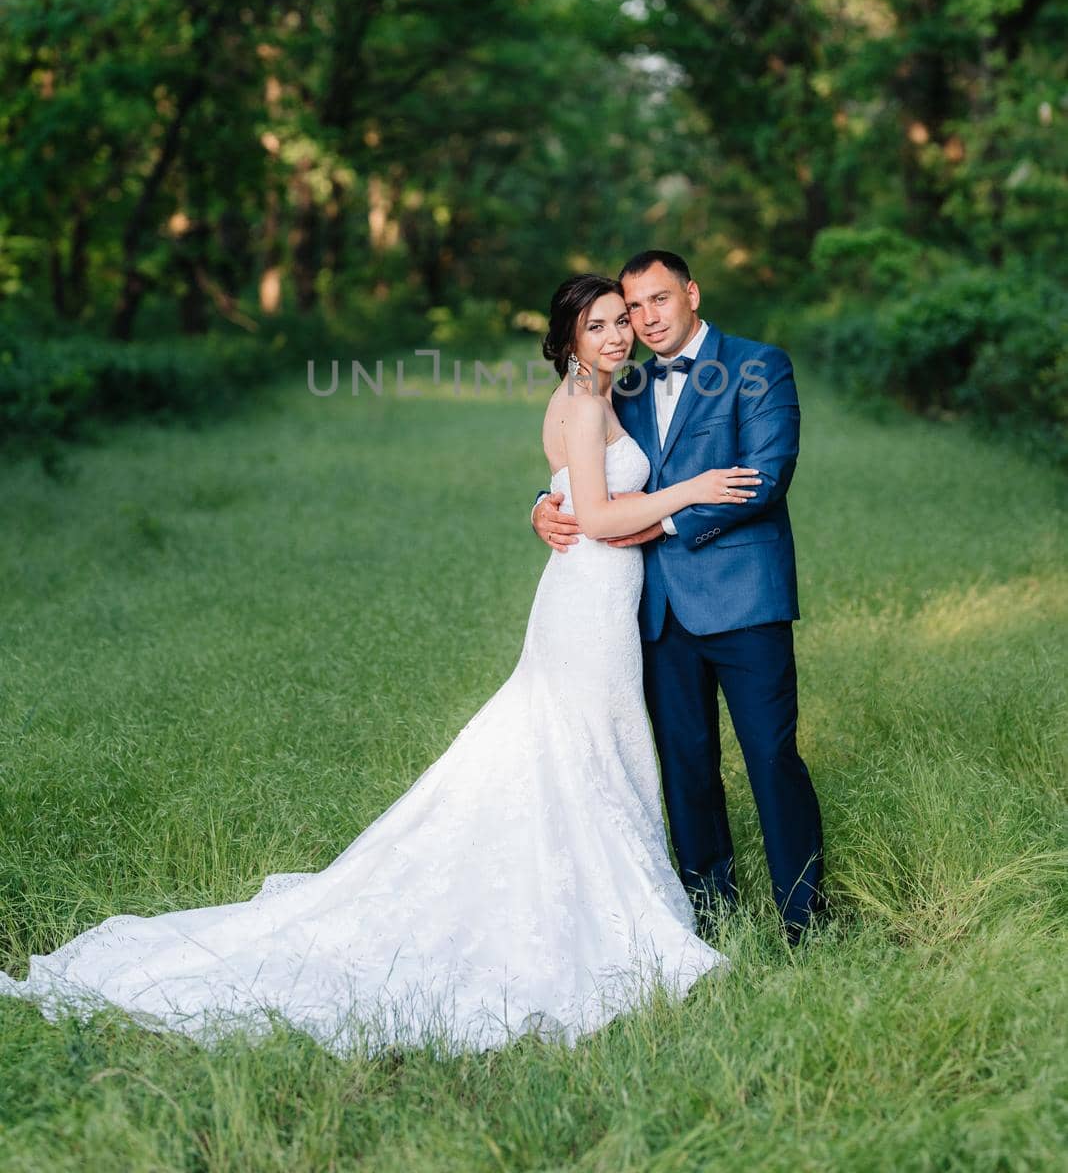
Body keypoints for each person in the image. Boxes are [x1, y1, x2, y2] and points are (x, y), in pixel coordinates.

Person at [0, 274, 759, 1059]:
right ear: (567, 339)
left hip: (600, 596)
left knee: (588, 744)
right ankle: (597, 909)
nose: (615, 335)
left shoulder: (600, 397)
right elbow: (598, 516)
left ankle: (610, 895)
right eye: (596, 324)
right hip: (586, 606)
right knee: (571, 745)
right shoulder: (582, 401)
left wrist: (582, 511)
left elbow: (590, 508)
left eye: (620, 321)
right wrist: (687, 493)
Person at [533, 250, 825, 943]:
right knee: (685, 764)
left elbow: (766, 472)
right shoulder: (618, 383)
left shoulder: (757, 365)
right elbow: (584, 469)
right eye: (633, 308)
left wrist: (664, 518)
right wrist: (542, 505)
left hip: (743, 597)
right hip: (652, 605)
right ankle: (709, 910)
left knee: (771, 756)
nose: (644, 319)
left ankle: (803, 917)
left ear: (691, 293)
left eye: (658, 300)